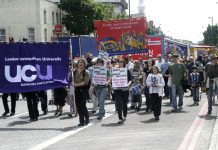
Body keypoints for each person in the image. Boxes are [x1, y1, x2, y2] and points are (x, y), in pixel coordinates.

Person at [113, 59, 132, 124]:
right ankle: (120, 118)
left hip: (125, 90)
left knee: (124, 104)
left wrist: (128, 85)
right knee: (119, 104)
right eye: (119, 62)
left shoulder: (127, 70)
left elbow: (130, 80)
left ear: (123, 63)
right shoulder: (115, 70)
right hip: (117, 90)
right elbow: (113, 79)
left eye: (121, 62)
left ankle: (125, 114)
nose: (120, 63)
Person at [73, 58, 90, 126]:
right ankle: (81, 121)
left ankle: (87, 118)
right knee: (78, 106)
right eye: (79, 62)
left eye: (82, 62)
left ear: (84, 64)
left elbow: (85, 82)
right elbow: (70, 79)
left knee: (83, 105)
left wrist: (76, 85)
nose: (80, 63)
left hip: (83, 90)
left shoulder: (86, 72)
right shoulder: (74, 71)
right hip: (76, 90)